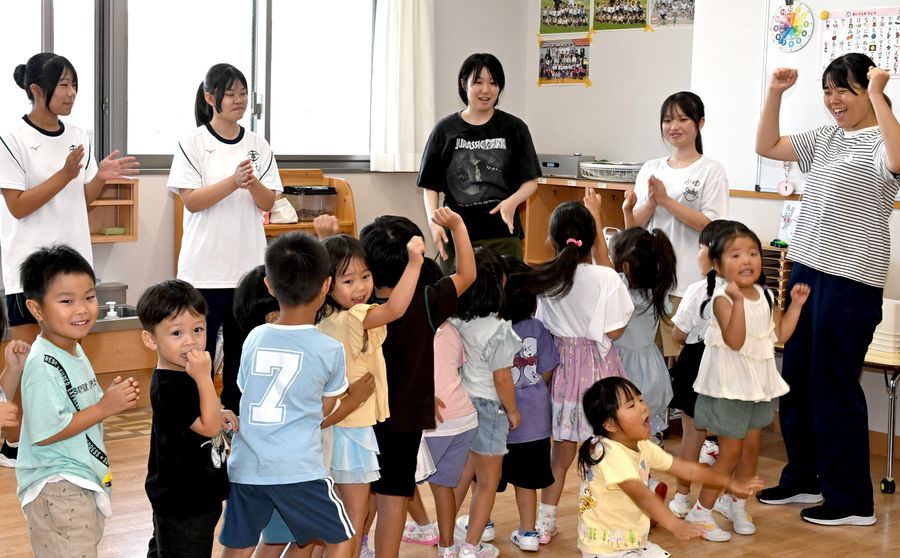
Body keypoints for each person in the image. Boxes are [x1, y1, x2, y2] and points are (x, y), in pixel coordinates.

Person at [754, 53, 900, 527]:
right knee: (795, 379)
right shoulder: (826, 138)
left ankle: (852, 499)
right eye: (828, 89)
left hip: (851, 281)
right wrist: (775, 91)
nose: (834, 100)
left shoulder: (882, 140)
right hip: (806, 273)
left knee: (834, 387)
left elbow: (898, 161)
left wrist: (879, 96)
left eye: (846, 90)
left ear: (868, 92)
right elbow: (767, 145)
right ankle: (804, 476)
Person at [0, 52, 138, 465]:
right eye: (63, 85)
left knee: (69, 357)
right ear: (36, 90)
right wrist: (63, 174)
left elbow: (80, 200)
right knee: (27, 360)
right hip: (28, 268)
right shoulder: (11, 137)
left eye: (74, 84)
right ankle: (14, 441)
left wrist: (99, 178)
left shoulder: (79, 133)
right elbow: (18, 206)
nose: (72, 93)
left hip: (74, 265)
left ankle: (62, 431)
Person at [506, 188, 634, 544]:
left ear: (550, 239)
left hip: (562, 372)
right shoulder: (604, 277)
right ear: (592, 238)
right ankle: (597, 522)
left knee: (559, 455)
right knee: (603, 450)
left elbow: (543, 326)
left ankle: (544, 524)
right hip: (600, 373)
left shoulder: (544, 278)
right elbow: (617, 327)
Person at [218, 232, 354, 558]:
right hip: (298, 469)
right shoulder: (330, 349)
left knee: (239, 543)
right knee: (341, 537)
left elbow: (245, 389)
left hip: (247, 464)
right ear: (327, 286)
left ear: (269, 285)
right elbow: (324, 408)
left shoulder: (254, 337)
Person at [360, 209, 476, 558]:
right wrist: (457, 227)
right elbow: (467, 273)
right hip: (405, 419)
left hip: (360, 415)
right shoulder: (425, 301)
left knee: (359, 492)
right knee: (395, 495)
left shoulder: (355, 306)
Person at [168, 63, 282, 413]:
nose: (238, 100)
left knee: (242, 353)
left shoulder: (257, 145)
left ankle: (236, 421)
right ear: (210, 98)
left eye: (243, 93)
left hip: (247, 272)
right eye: (230, 94)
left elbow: (268, 202)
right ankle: (198, 423)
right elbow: (191, 200)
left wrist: (252, 184)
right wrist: (233, 182)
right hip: (203, 270)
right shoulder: (194, 143)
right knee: (197, 354)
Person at [684, 223, 809, 541]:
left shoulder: (766, 295)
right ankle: (701, 512)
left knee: (751, 451)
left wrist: (794, 306)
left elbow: (780, 335)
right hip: (728, 389)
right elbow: (736, 340)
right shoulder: (722, 300)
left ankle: (736, 503)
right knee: (728, 454)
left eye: (753, 253)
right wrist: (738, 302)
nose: (747, 260)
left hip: (755, 389)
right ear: (718, 264)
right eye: (736, 254)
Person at [16, 244, 141, 558]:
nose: (83, 309)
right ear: (37, 309)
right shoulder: (43, 364)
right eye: (67, 301)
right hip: (57, 483)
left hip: (80, 477)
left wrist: (109, 397)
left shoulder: (73, 347)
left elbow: (79, 405)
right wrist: (104, 407)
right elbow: (47, 431)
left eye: (89, 297)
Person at [316, 232, 426, 557]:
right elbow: (394, 308)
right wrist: (415, 264)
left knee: (336, 515)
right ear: (327, 285)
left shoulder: (326, 318)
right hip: (351, 431)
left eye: (365, 276)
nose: (361, 287)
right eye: (349, 280)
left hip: (331, 427)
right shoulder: (354, 317)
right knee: (353, 517)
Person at [576, 377, 763, 558]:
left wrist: (729, 482)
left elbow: (687, 470)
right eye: (631, 405)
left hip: (633, 541)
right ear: (609, 424)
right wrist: (674, 524)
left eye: (640, 399)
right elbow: (643, 496)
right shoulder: (611, 455)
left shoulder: (642, 445)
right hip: (605, 549)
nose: (642, 407)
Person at [137, 280, 238, 557]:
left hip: (196, 493)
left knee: (166, 549)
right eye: (177, 332)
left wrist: (217, 410)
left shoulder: (186, 374)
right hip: (183, 500)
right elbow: (208, 427)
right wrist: (205, 378)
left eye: (198, 329)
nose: (190, 340)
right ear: (151, 339)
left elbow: (202, 415)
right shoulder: (171, 385)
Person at [625, 91, 729, 359]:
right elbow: (635, 227)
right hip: (649, 282)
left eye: (683, 119)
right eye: (668, 120)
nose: (673, 127)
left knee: (681, 361)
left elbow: (712, 226)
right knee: (648, 359)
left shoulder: (710, 169)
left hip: (688, 282)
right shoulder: (651, 167)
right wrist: (649, 203)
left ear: (700, 123)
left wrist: (666, 201)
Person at [420, 53, 541, 271]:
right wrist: (432, 221)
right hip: (457, 235)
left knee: (508, 300)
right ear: (463, 83)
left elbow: (531, 182)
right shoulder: (444, 130)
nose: (486, 90)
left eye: (493, 83)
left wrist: (512, 202)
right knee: (454, 300)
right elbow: (430, 185)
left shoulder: (514, 128)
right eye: (478, 82)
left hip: (503, 234)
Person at [448, 248, 522, 558]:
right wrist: (514, 410)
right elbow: (502, 378)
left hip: (462, 404)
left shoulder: (455, 320)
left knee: (462, 473)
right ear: (501, 282)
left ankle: (446, 537)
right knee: (488, 481)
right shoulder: (500, 329)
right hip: (490, 408)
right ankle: (470, 546)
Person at [667, 219, 733, 518]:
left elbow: (679, 335)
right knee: (732, 441)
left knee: (691, 437)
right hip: (730, 370)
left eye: (701, 247)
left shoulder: (698, 291)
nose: (698, 253)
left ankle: (681, 499)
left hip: (696, 365)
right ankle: (728, 499)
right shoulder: (745, 292)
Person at [497, 256, 560, 552]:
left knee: (485, 476)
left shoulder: (491, 329)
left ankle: (481, 524)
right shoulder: (537, 328)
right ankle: (528, 532)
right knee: (527, 481)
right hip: (534, 419)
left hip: (497, 419)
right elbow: (547, 369)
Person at [608, 228, 677, 438]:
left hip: (626, 373)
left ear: (625, 267)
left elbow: (605, 270)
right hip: (651, 371)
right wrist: (627, 212)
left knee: (621, 432)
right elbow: (638, 249)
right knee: (643, 430)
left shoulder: (624, 294)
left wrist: (596, 216)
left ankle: (628, 468)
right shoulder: (656, 292)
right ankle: (644, 468)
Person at [420, 316, 478, 558]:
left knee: (398, 488)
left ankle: (423, 528)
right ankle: (447, 548)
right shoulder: (453, 329)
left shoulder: (411, 328)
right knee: (443, 485)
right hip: (464, 417)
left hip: (430, 421)